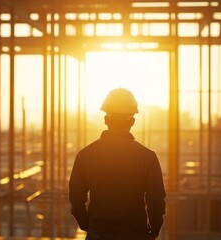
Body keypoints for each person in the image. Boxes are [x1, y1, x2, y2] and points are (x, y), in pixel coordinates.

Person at [69, 88, 166, 240]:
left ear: (106, 120)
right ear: (132, 121)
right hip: (135, 234)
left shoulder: (86, 155)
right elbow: (156, 201)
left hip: (99, 234)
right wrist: (153, 231)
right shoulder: (147, 157)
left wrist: (88, 225)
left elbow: (76, 198)